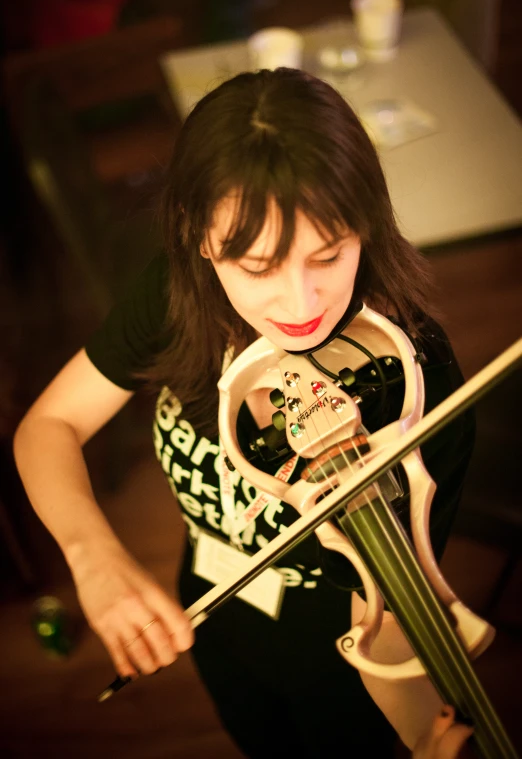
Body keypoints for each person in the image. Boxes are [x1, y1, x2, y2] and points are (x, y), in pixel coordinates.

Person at [14, 68, 476, 758]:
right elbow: (48, 426)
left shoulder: (415, 377)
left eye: (329, 252)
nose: (302, 303)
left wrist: (420, 735)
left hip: (340, 662)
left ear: (367, 225)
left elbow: (391, 610)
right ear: (201, 241)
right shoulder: (177, 297)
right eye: (258, 266)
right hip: (213, 614)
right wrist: (95, 556)